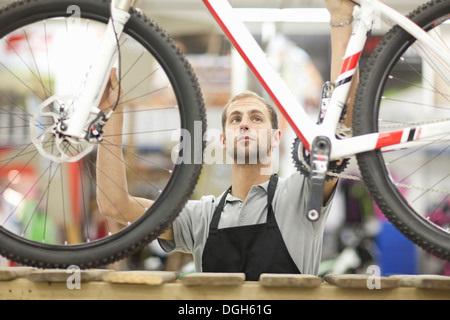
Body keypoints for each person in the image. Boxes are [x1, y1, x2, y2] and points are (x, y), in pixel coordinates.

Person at [96, 0, 358, 279]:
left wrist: (340, 18)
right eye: (236, 119)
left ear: (275, 138)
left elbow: (338, 130)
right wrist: (112, 116)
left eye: (256, 118)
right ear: (223, 141)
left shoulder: (299, 196)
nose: (245, 123)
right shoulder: (201, 217)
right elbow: (115, 206)